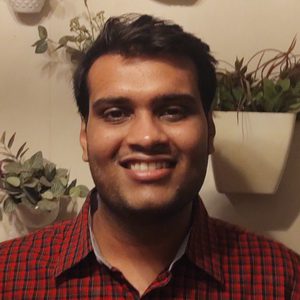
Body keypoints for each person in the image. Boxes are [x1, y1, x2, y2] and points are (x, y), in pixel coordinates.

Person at [0, 14, 299, 299]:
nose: (146, 137)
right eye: (116, 113)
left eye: (173, 111)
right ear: (84, 137)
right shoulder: (7, 277)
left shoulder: (284, 281)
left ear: (209, 130)